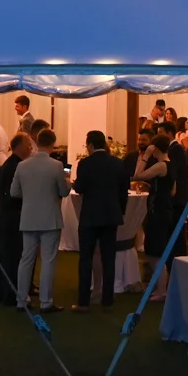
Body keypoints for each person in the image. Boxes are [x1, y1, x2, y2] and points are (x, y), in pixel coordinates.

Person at [70, 130, 130, 312]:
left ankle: (83, 301)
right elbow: (124, 191)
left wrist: (73, 183)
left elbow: (79, 188)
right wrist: (120, 211)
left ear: (90, 145)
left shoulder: (85, 164)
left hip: (90, 216)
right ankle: (107, 299)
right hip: (111, 216)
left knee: (86, 258)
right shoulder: (117, 163)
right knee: (109, 259)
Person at [11, 128, 69, 312]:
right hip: (50, 218)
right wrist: (67, 182)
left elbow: (14, 192)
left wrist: (30, 196)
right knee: (48, 260)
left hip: (28, 217)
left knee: (26, 259)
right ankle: (46, 301)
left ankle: (21, 299)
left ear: (36, 141)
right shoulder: (56, 166)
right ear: (53, 143)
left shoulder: (22, 165)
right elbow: (63, 191)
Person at [135, 132, 188, 260]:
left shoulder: (161, 165)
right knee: (161, 247)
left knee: (154, 252)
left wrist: (145, 156)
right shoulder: (171, 164)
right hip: (167, 208)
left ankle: (160, 273)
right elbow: (173, 191)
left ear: (155, 148)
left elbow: (137, 175)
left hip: (157, 210)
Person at [0, 133, 28, 304]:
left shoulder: (11, 164)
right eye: (28, 144)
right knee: (11, 256)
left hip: (5, 215)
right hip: (11, 217)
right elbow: (12, 194)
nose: (30, 148)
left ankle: (4, 293)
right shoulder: (15, 166)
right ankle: (10, 294)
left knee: (6, 255)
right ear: (18, 146)